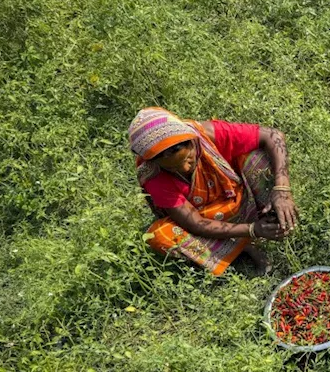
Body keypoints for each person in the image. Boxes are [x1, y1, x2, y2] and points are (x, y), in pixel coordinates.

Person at [127, 107, 298, 276]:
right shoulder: (154, 176)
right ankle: (244, 246)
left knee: (258, 158)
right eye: (173, 168)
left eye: (188, 158)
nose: (186, 167)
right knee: (159, 236)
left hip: (240, 197)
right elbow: (195, 224)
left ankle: (274, 216)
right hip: (204, 218)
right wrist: (252, 230)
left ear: (192, 142)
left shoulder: (207, 134)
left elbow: (272, 135)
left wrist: (282, 188)